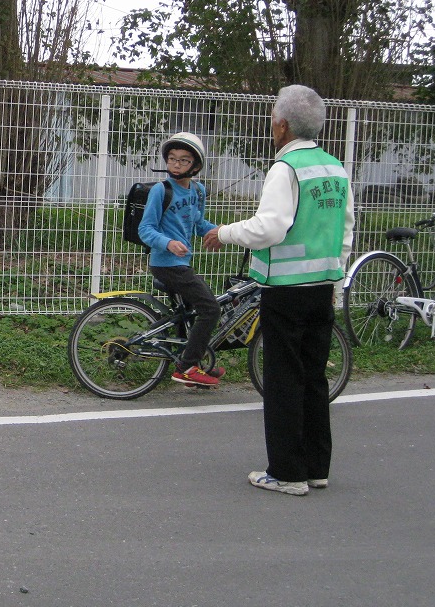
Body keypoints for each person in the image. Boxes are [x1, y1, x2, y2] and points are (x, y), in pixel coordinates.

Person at [203, 85, 354, 496]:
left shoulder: (286, 169)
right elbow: (345, 231)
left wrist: (224, 232)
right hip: (323, 286)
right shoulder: (334, 168)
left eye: (273, 120)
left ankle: (286, 473)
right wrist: (336, 280)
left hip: (286, 288)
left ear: (282, 125)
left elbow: (270, 227)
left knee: (284, 378)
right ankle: (316, 467)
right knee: (314, 377)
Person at [138, 131, 223, 388]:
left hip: (182, 263)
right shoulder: (161, 191)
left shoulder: (198, 191)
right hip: (166, 264)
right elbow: (146, 229)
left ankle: (190, 362)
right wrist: (168, 243)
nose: (176, 164)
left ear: (195, 166)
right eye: (172, 159)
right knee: (210, 308)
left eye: (183, 160)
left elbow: (198, 224)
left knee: (191, 313)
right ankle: (187, 367)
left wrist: (225, 232)